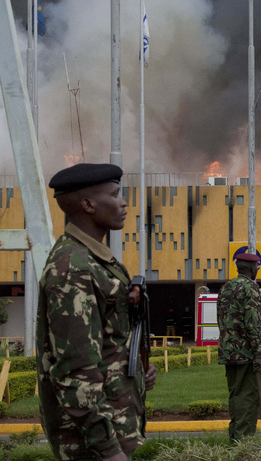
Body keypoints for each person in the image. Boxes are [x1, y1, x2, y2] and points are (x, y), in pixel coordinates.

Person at [36, 163, 157, 461]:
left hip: (115, 423)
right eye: (115, 195)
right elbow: (75, 370)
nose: (123, 202)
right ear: (88, 205)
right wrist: (108, 450)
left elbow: (106, 340)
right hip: (92, 442)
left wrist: (139, 372)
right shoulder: (72, 268)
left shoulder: (95, 260)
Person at [217, 252, 261, 441]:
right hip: (246, 353)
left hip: (229, 352)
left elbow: (225, 319)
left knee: (236, 396)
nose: (256, 271)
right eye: (256, 268)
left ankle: (234, 437)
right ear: (252, 268)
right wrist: (259, 353)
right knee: (248, 397)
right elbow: (252, 324)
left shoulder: (226, 288)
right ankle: (243, 442)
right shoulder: (251, 288)